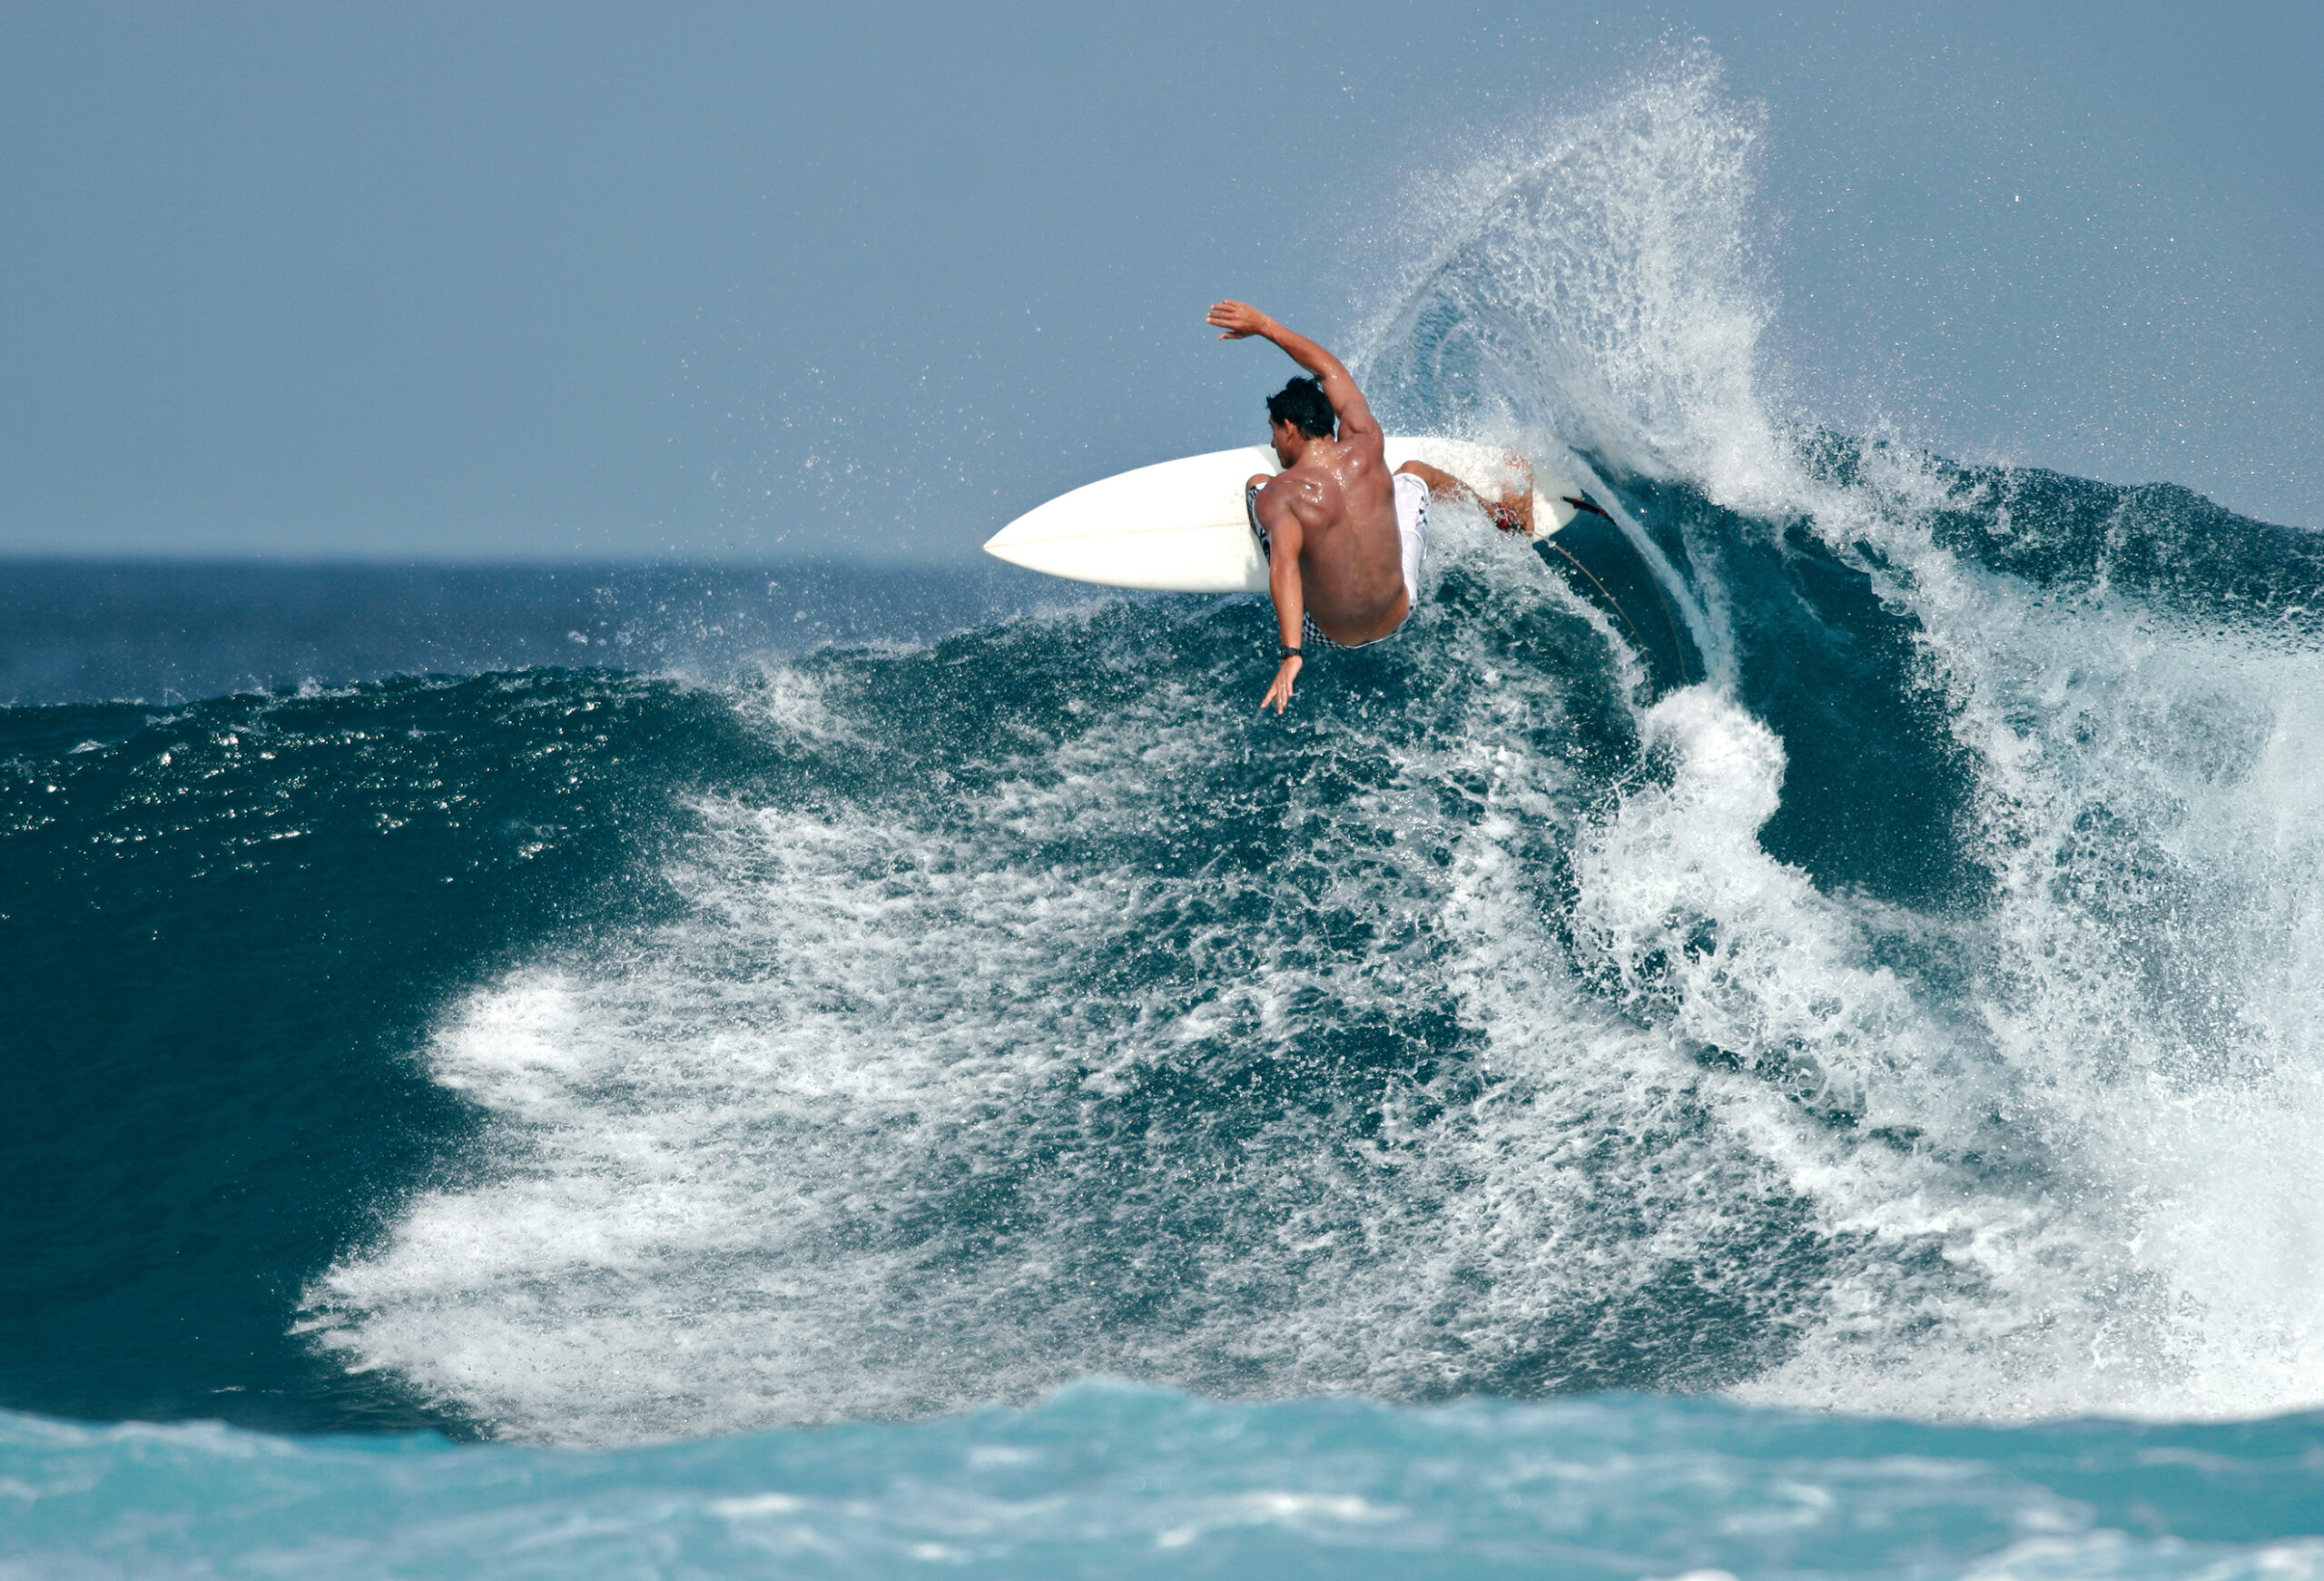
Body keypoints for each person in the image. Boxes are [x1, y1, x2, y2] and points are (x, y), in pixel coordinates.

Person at [1206, 300, 1532, 712]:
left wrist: (1292, 654)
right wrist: (1265, 325)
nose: (1272, 444)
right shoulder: (1366, 440)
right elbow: (1331, 372)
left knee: (1257, 486)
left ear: (1289, 427)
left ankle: (1302, 540)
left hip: (1329, 633)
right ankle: (1502, 515)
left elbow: (1284, 566)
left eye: (1273, 432)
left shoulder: (1282, 493)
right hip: (1401, 607)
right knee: (1414, 471)